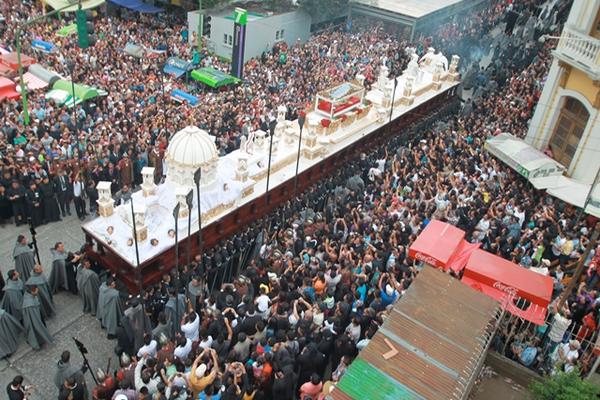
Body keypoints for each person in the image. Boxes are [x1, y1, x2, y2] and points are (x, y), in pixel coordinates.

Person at [21, 285, 53, 350]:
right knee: (36, 330)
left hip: (37, 315)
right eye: (36, 290)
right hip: (34, 319)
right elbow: (34, 320)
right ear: (32, 292)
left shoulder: (30, 295)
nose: (37, 291)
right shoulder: (29, 305)